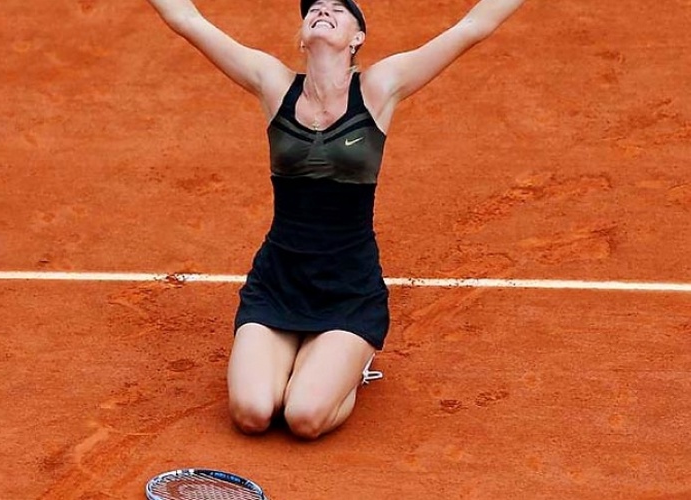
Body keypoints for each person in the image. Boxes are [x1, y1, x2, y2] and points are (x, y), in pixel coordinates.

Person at [146, 0, 525, 439]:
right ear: (302, 38)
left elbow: (473, 26)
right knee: (252, 413)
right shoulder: (273, 84)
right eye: (314, 9)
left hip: (349, 290)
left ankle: (352, 364)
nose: (323, 10)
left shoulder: (380, 86)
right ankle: (313, 360)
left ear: (357, 38)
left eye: (338, 9)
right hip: (278, 283)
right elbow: (187, 19)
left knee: (303, 418)